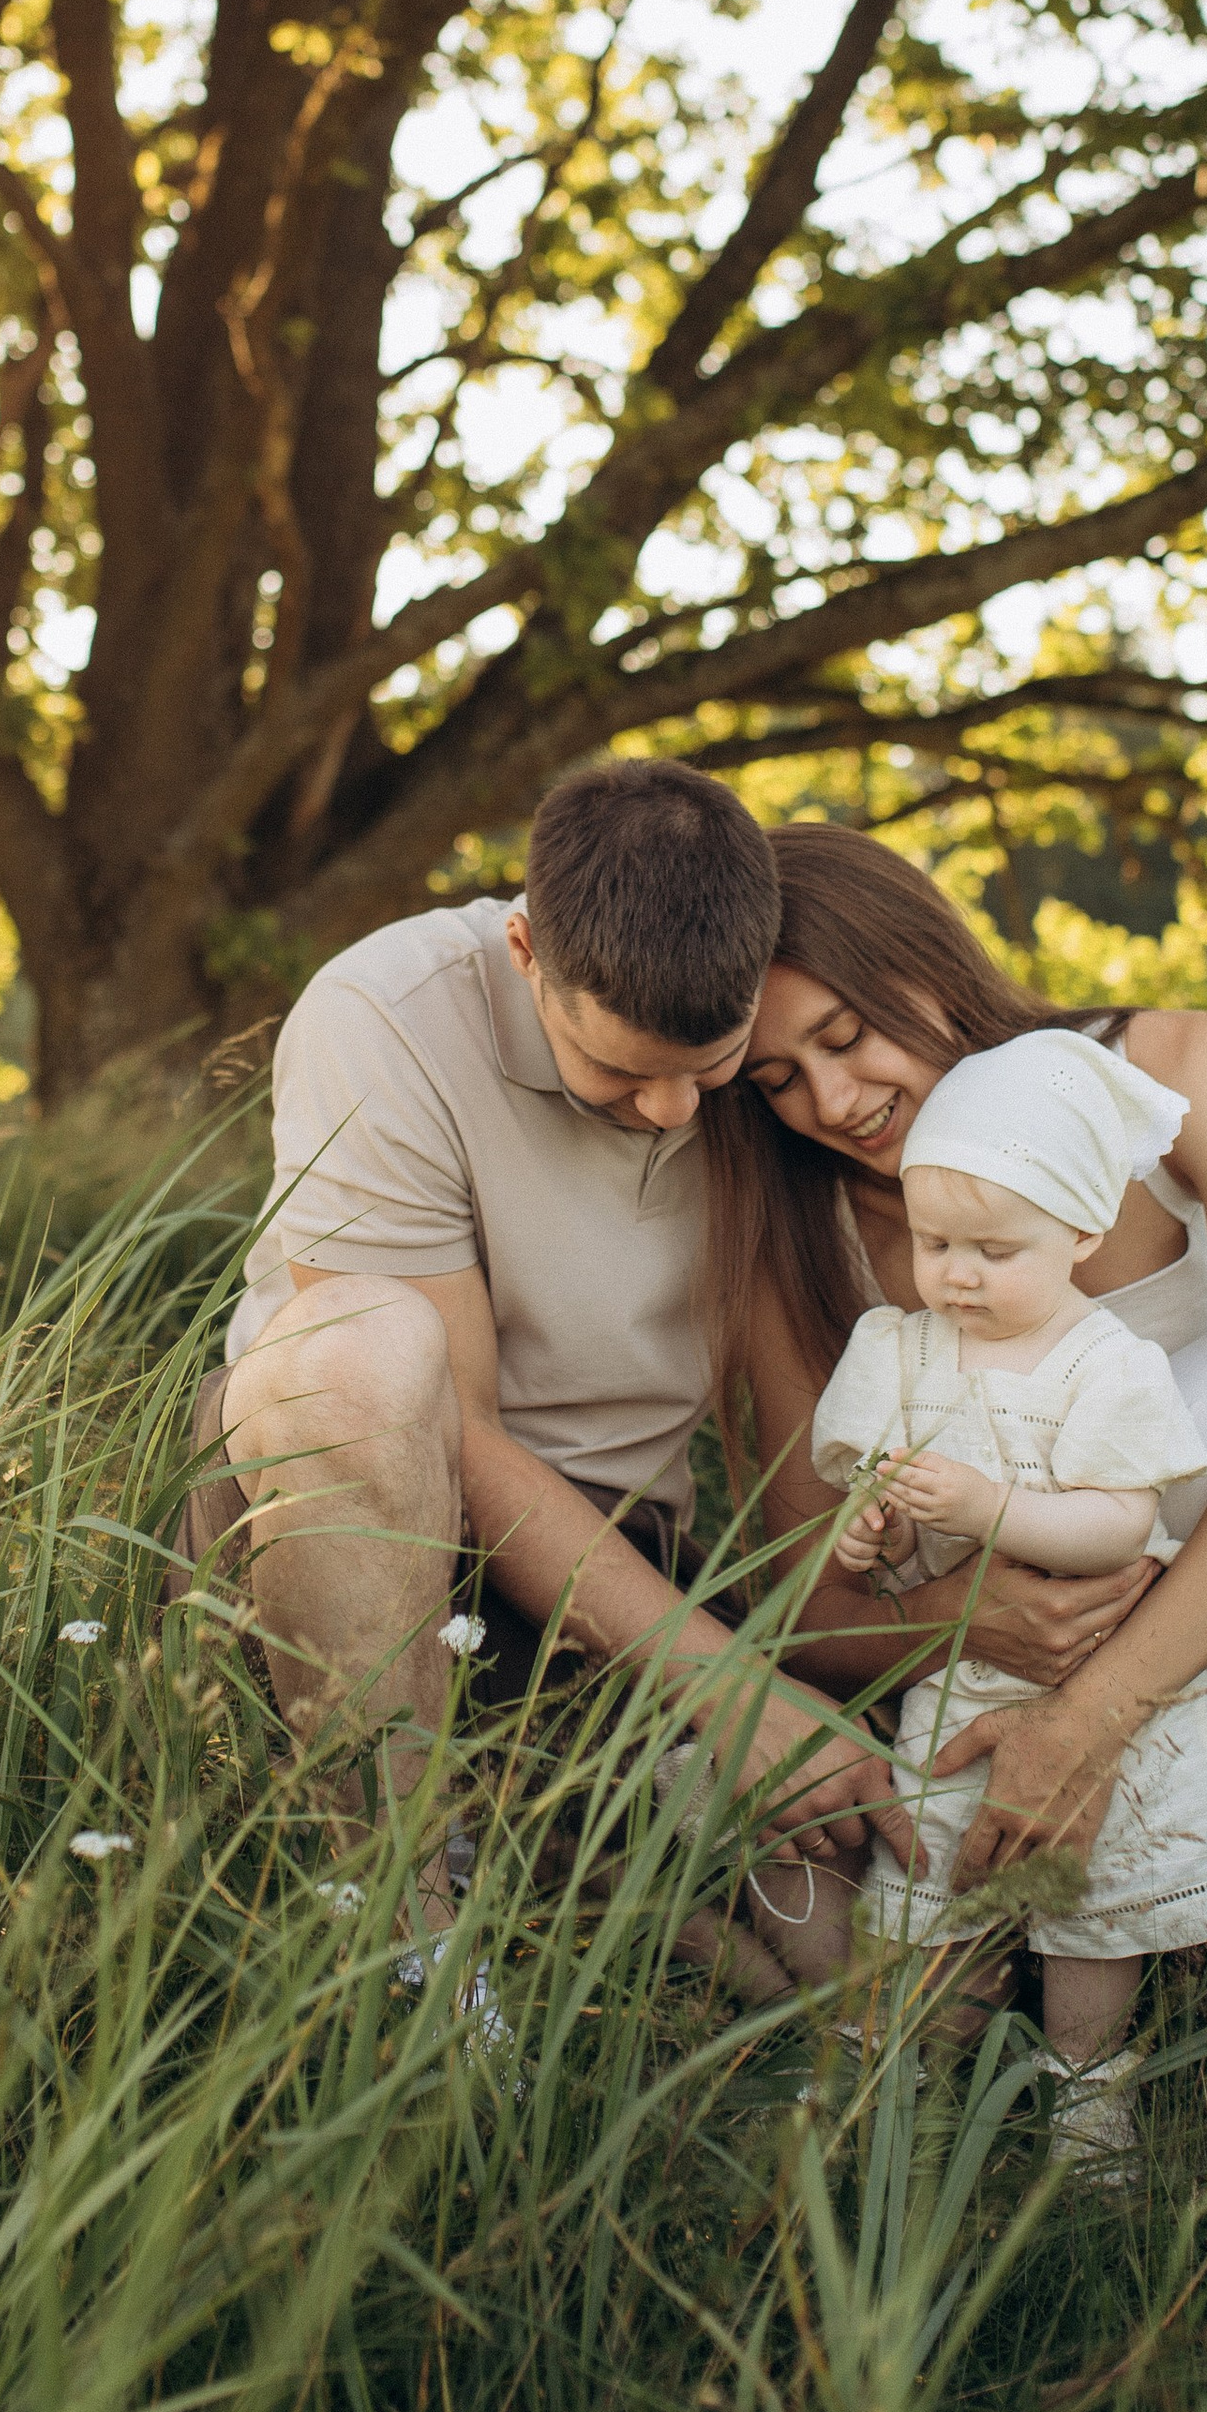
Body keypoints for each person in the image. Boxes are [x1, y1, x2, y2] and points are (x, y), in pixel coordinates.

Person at [706, 823, 1207, 2081]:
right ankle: (1040, 1936)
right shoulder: (801, 1225)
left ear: (928, 966)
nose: (831, 1103)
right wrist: (971, 1613)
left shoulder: (1158, 1068)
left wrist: (1094, 1714)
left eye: (845, 1038)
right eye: (779, 1080)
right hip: (997, 1595)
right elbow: (805, 1602)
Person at [172, 760, 908, 1965]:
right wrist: (727, 1692)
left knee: (816, 1937)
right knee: (372, 1353)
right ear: (525, 953)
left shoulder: (773, 1029)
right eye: (621, 1073)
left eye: (709, 1068)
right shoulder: (384, 1016)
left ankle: (541, 1861)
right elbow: (453, 1437)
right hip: (351, 1501)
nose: (672, 1109)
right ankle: (403, 1949)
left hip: (607, 1565)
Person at [815, 1028, 1207, 2179]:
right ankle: (898, 2080)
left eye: (994, 1249)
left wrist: (984, 1501)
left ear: (1082, 1235)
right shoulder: (905, 1353)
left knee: (1087, 1907)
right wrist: (881, 1527)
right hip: (960, 1674)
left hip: (1099, 1677)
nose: (958, 1274)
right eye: (936, 1243)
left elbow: (1116, 1524)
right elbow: (885, 1527)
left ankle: (1084, 2092)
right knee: (925, 1878)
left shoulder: (1107, 1365)